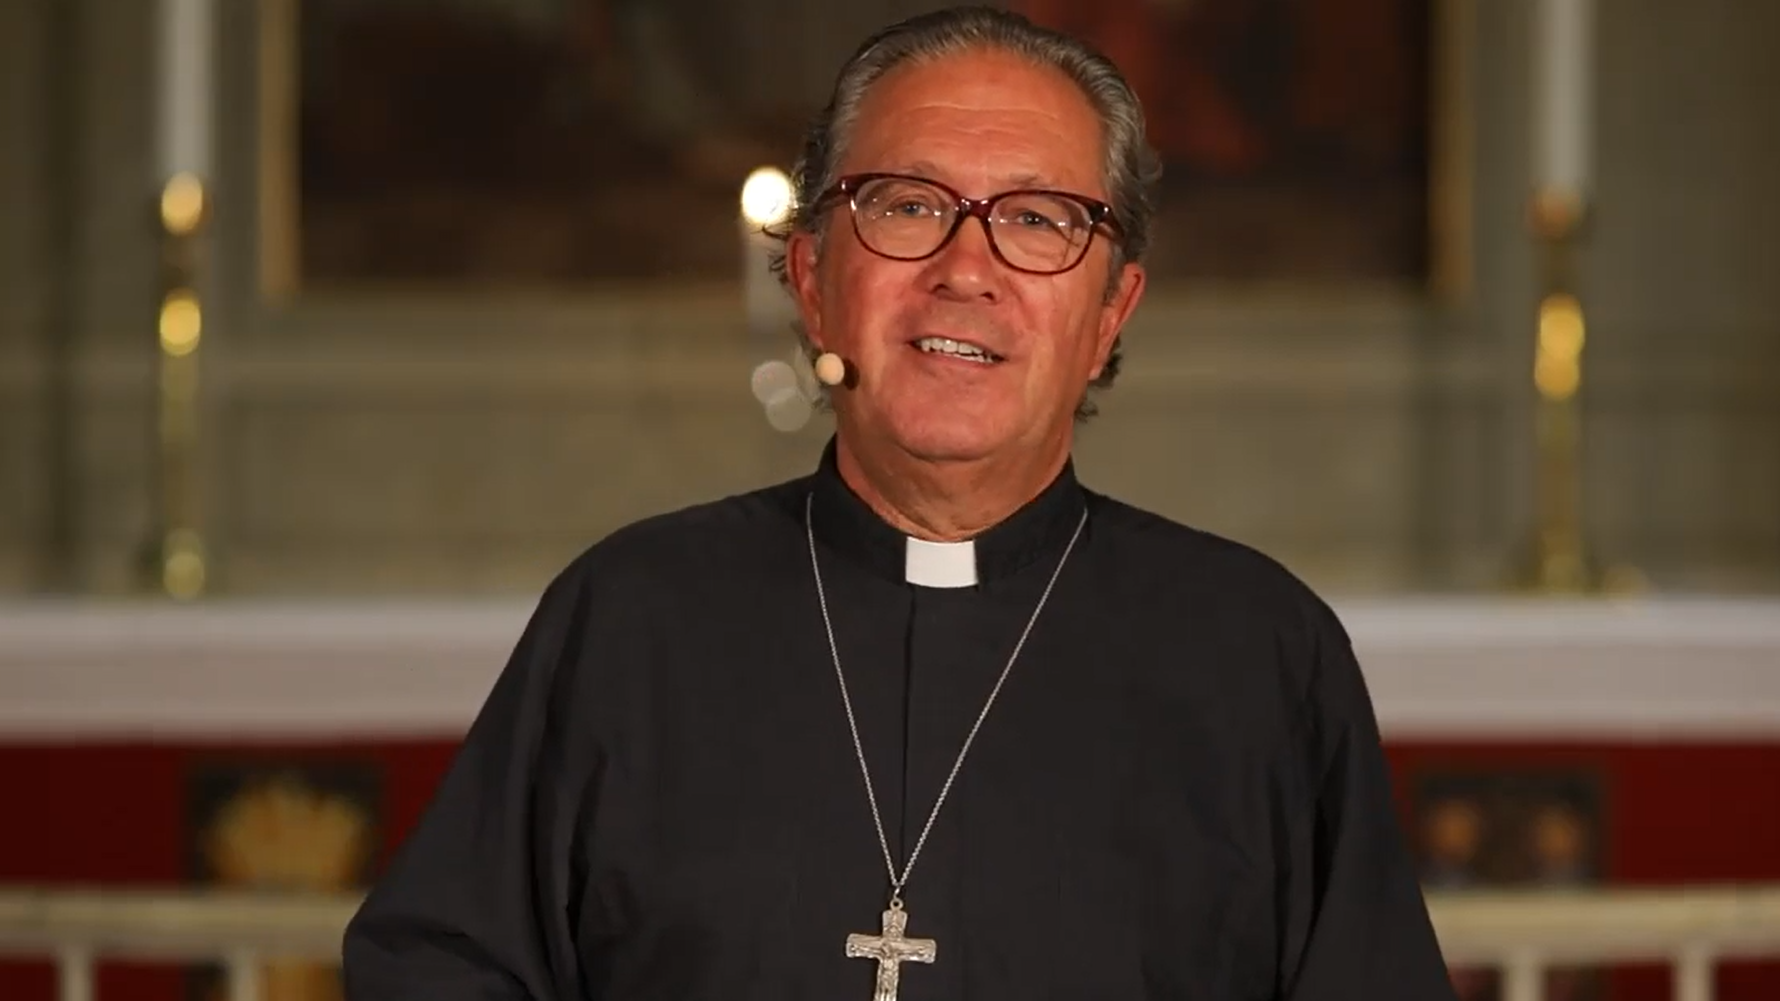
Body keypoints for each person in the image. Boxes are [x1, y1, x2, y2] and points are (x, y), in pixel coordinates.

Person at [340, 6, 1457, 999]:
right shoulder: (632, 616)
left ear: (1111, 311)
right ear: (815, 278)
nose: (966, 267)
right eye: (908, 203)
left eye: (1037, 219)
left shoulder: (1256, 651)